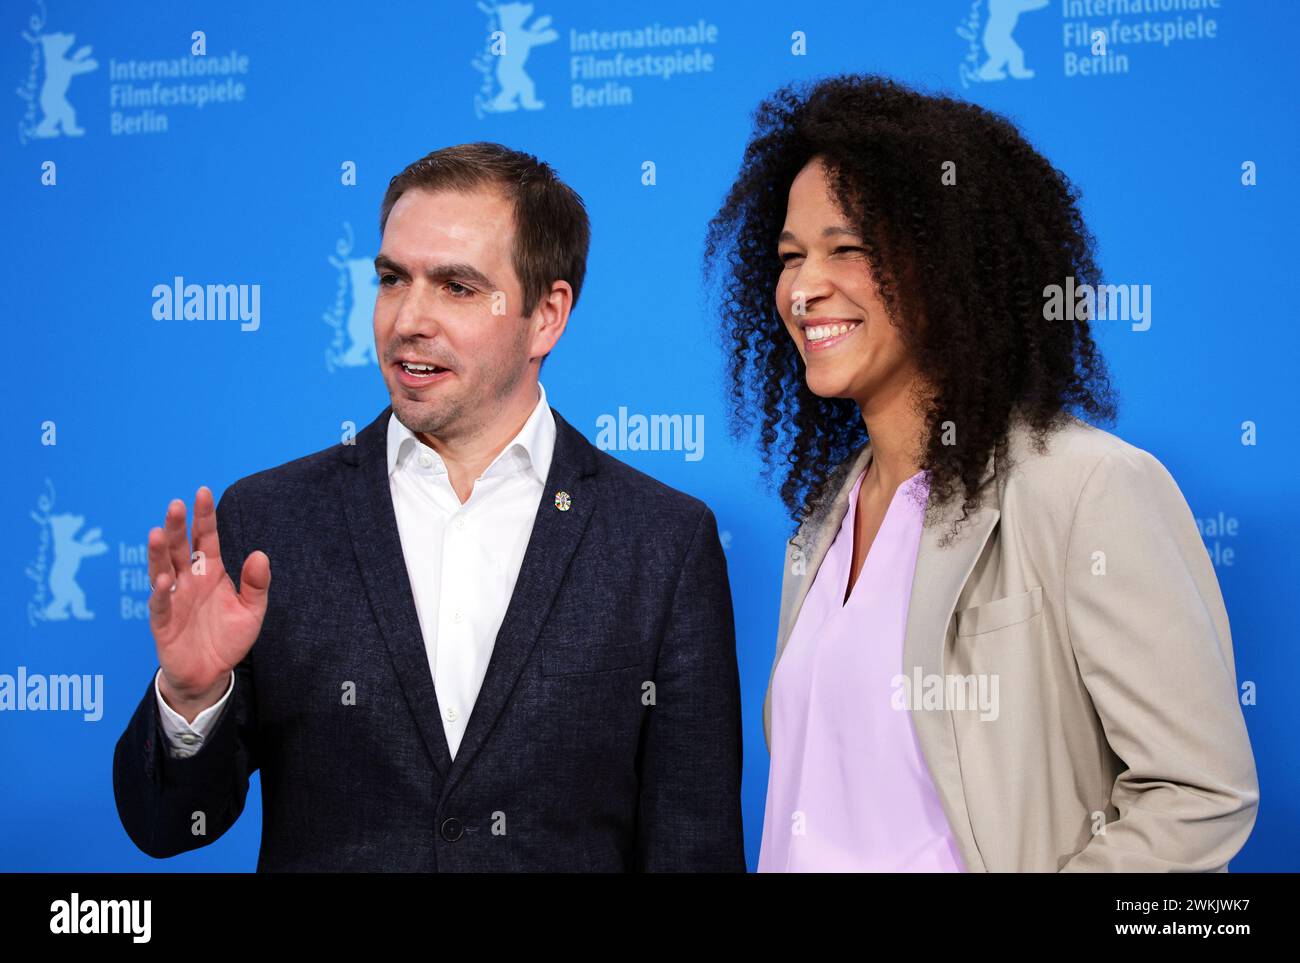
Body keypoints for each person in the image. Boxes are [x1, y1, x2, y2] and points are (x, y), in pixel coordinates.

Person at [114, 142, 745, 872]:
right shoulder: (271, 521)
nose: (409, 318)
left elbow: (694, 851)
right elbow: (169, 825)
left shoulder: (661, 543)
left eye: (456, 287)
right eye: (392, 279)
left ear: (546, 315)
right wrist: (192, 698)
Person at [704, 75, 1258, 872]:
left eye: (846, 248)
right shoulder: (825, 518)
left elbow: (1200, 795)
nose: (803, 287)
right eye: (790, 257)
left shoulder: (1084, 488)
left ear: (945, 262)